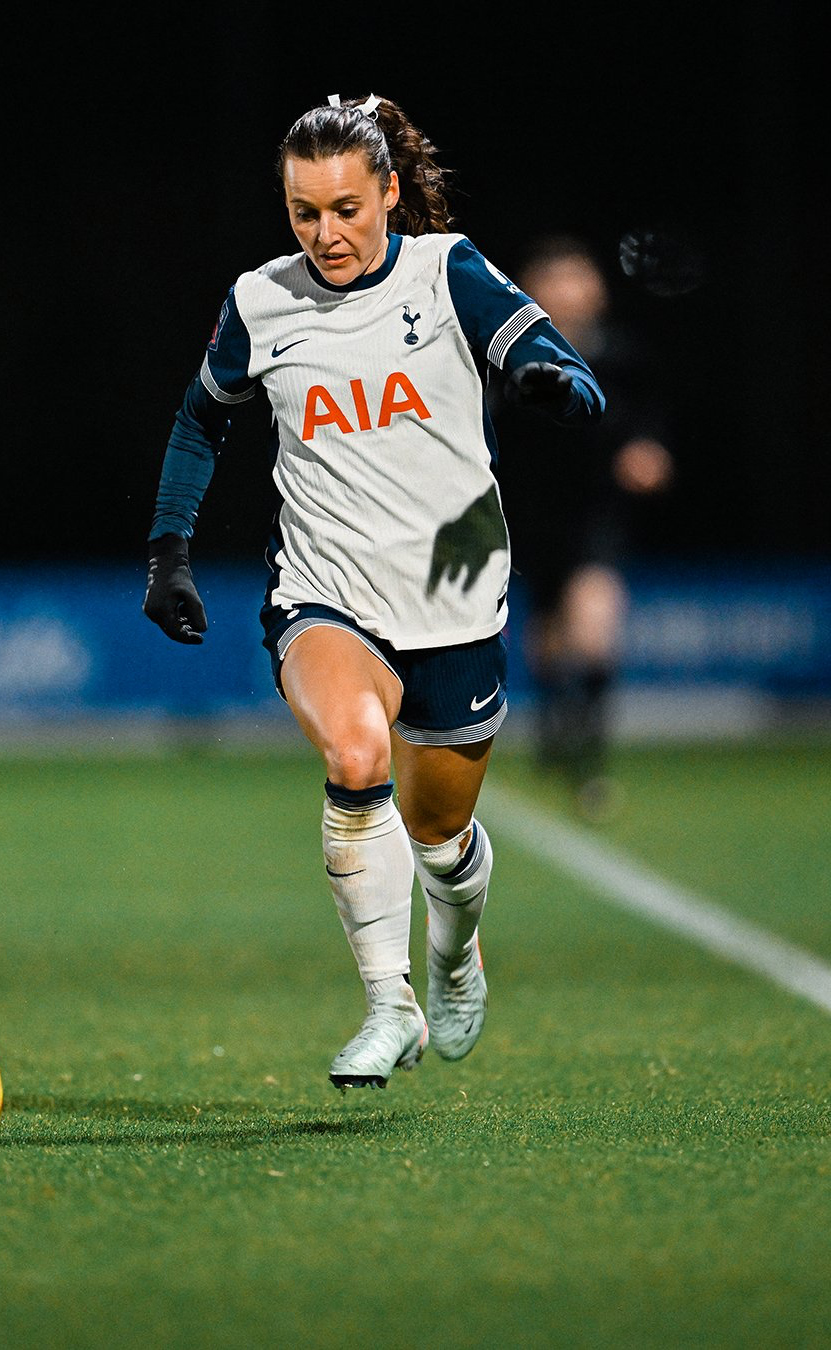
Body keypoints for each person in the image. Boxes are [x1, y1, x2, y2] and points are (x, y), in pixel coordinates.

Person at [143, 94, 604, 1090]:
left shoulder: (449, 274)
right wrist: (168, 550)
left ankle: (454, 953)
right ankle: (388, 1004)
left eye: (346, 208)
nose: (326, 233)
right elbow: (198, 421)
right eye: (305, 212)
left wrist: (554, 385)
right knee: (356, 757)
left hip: (454, 601)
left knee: (442, 836)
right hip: (324, 591)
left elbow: (555, 360)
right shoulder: (261, 301)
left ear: (390, 193)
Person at [489, 236, 674, 818]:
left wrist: (648, 453)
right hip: (531, 514)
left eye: (578, 277)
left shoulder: (621, 356)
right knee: (547, 634)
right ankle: (553, 730)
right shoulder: (507, 358)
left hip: (596, 514)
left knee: (594, 624)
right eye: (556, 279)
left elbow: (649, 423)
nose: (570, 291)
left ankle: (588, 760)